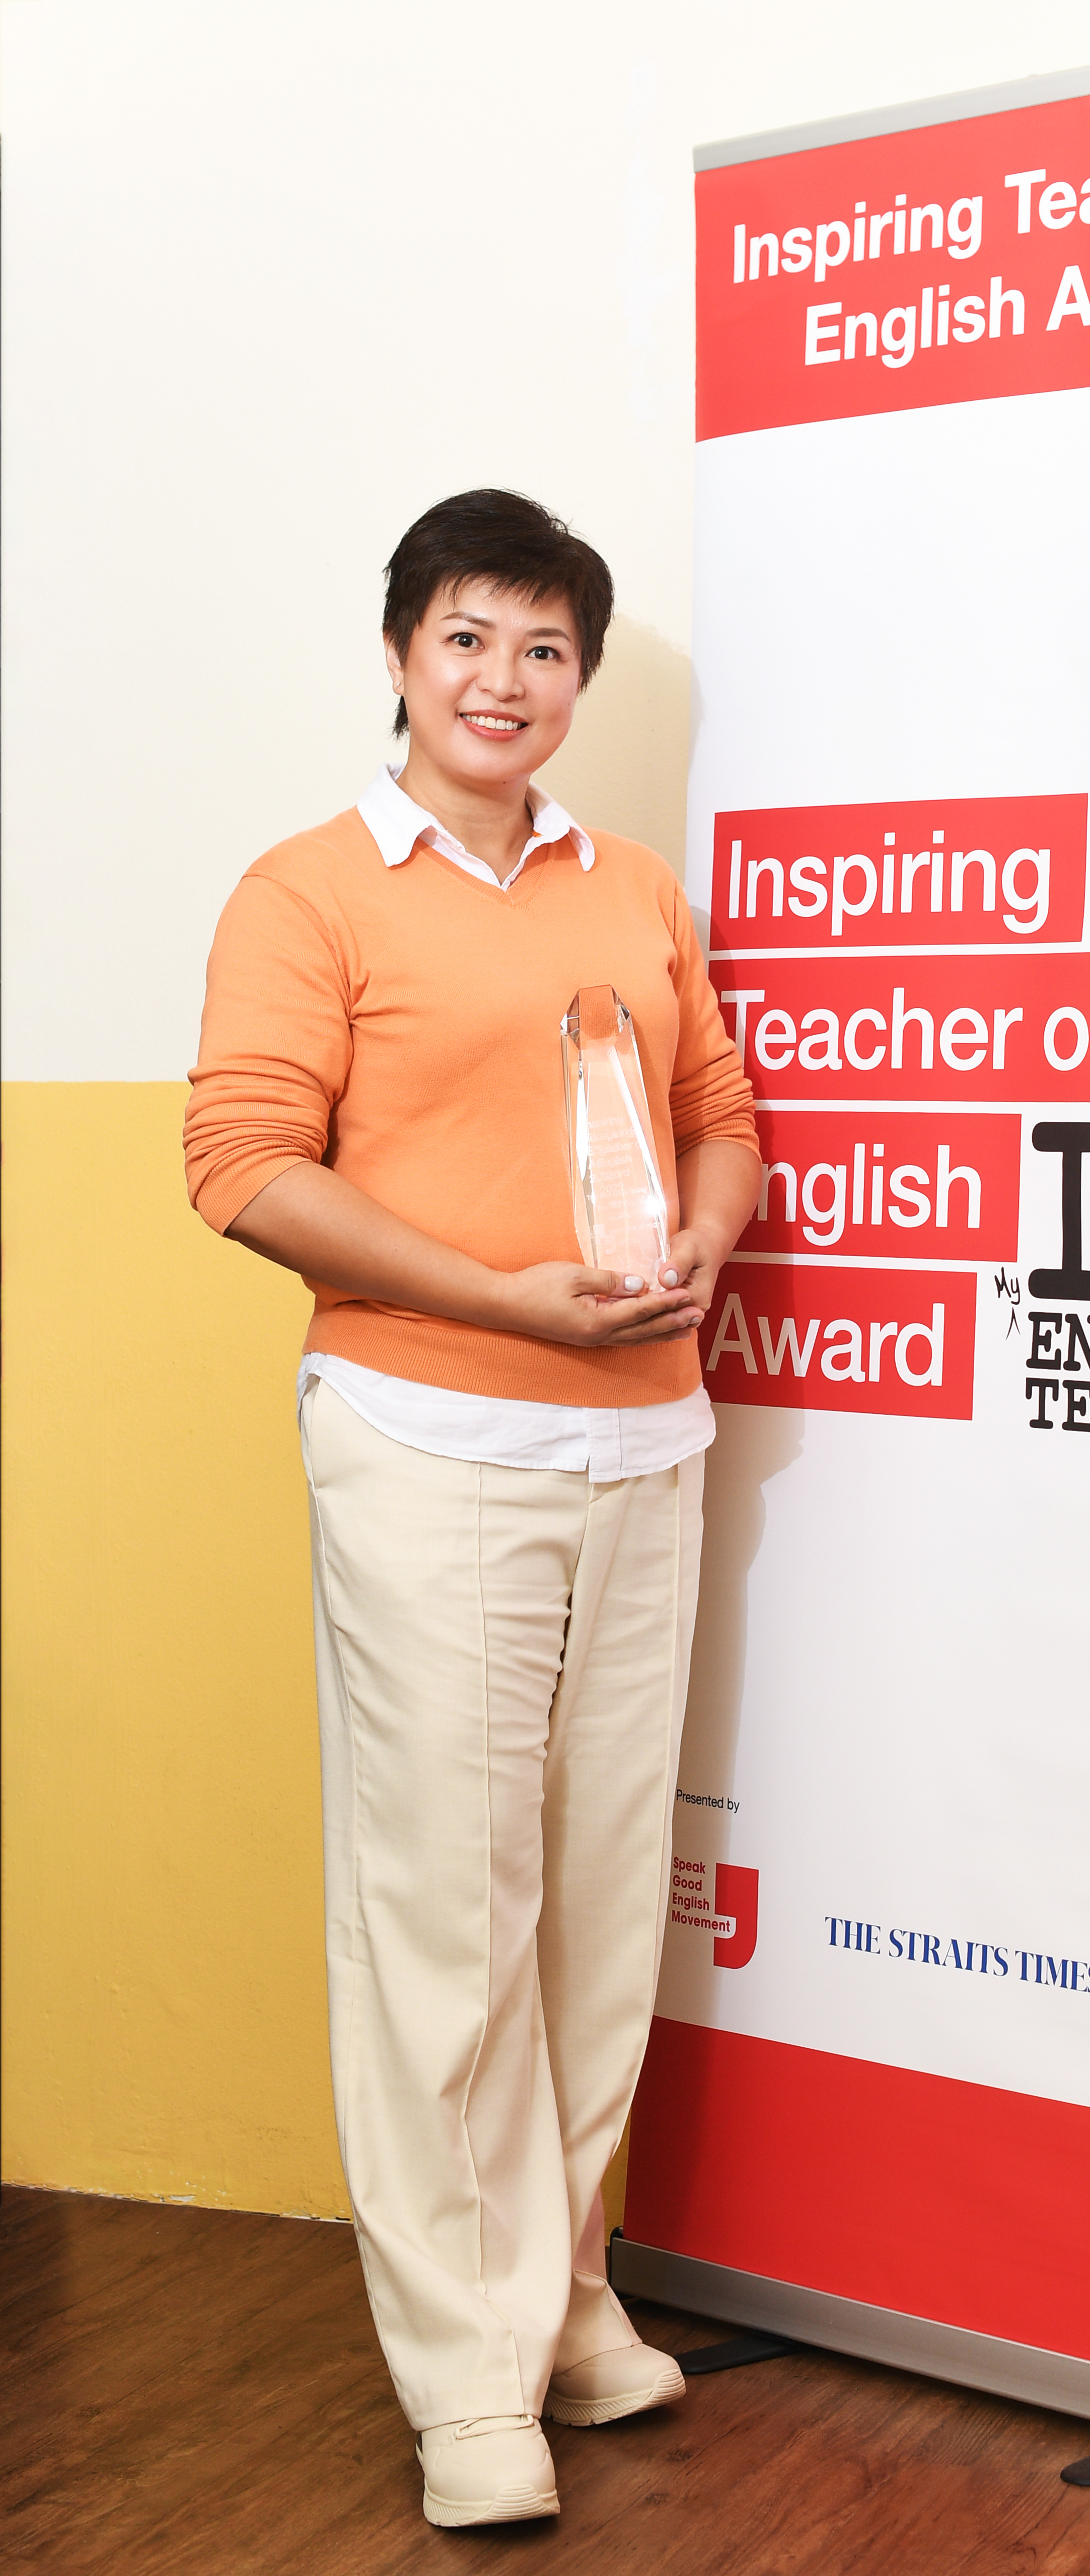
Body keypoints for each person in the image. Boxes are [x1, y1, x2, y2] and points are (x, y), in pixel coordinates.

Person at [184, 488, 760, 2529]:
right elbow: (245, 1164)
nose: (503, 682)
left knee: (600, 1906)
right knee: (444, 1908)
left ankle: (567, 2296)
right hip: (432, 1443)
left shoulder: (629, 886)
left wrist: (701, 1234)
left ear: (579, 680)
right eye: (466, 638)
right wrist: (494, 1295)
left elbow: (716, 1110)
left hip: (643, 1446)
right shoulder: (312, 889)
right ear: (401, 653)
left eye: (543, 649)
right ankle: (462, 2375)